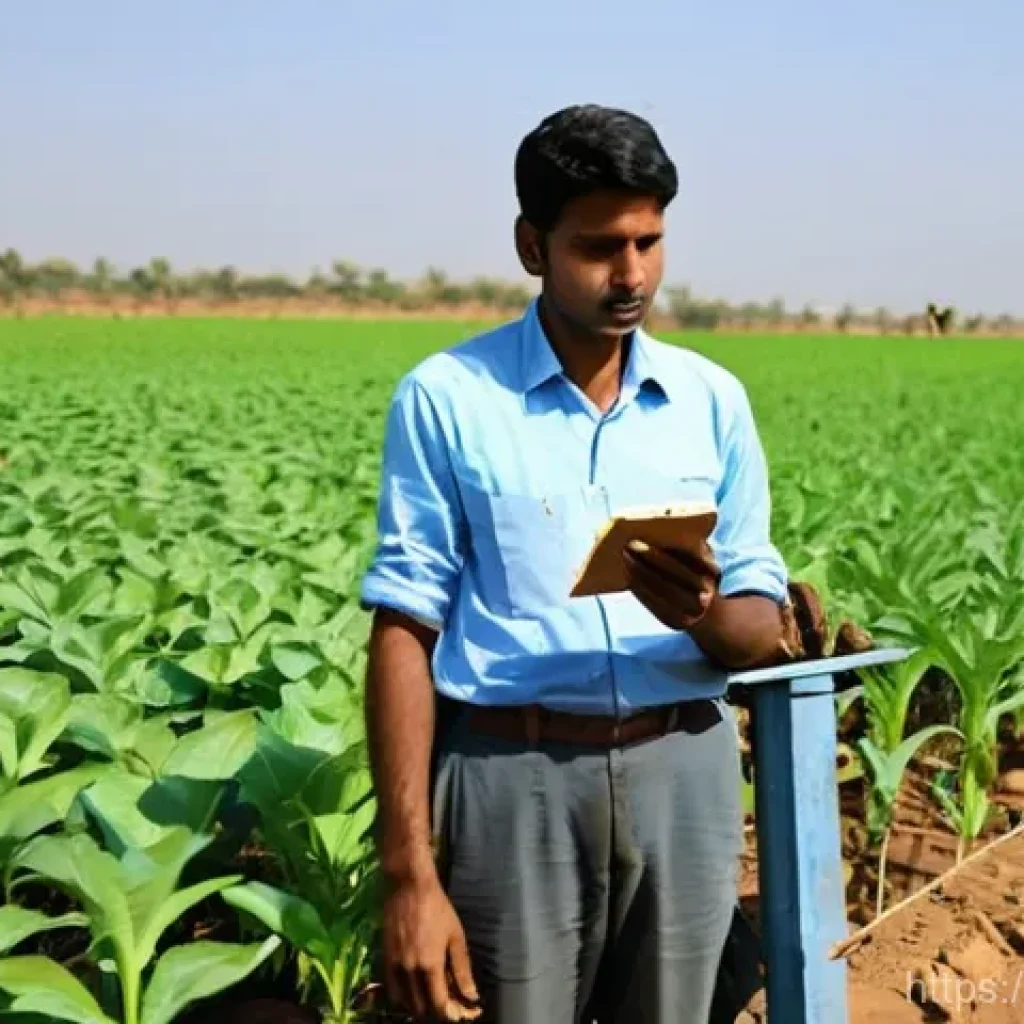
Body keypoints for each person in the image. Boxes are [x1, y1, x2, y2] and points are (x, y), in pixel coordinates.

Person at [360, 104, 793, 1024]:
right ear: (532, 244)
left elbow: (757, 627)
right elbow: (403, 627)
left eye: (649, 241)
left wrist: (703, 608)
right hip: (511, 778)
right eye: (600, 245)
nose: (631, 273)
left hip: (685, 767)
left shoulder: (710, 401)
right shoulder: (449, 398)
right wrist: (407, 875)